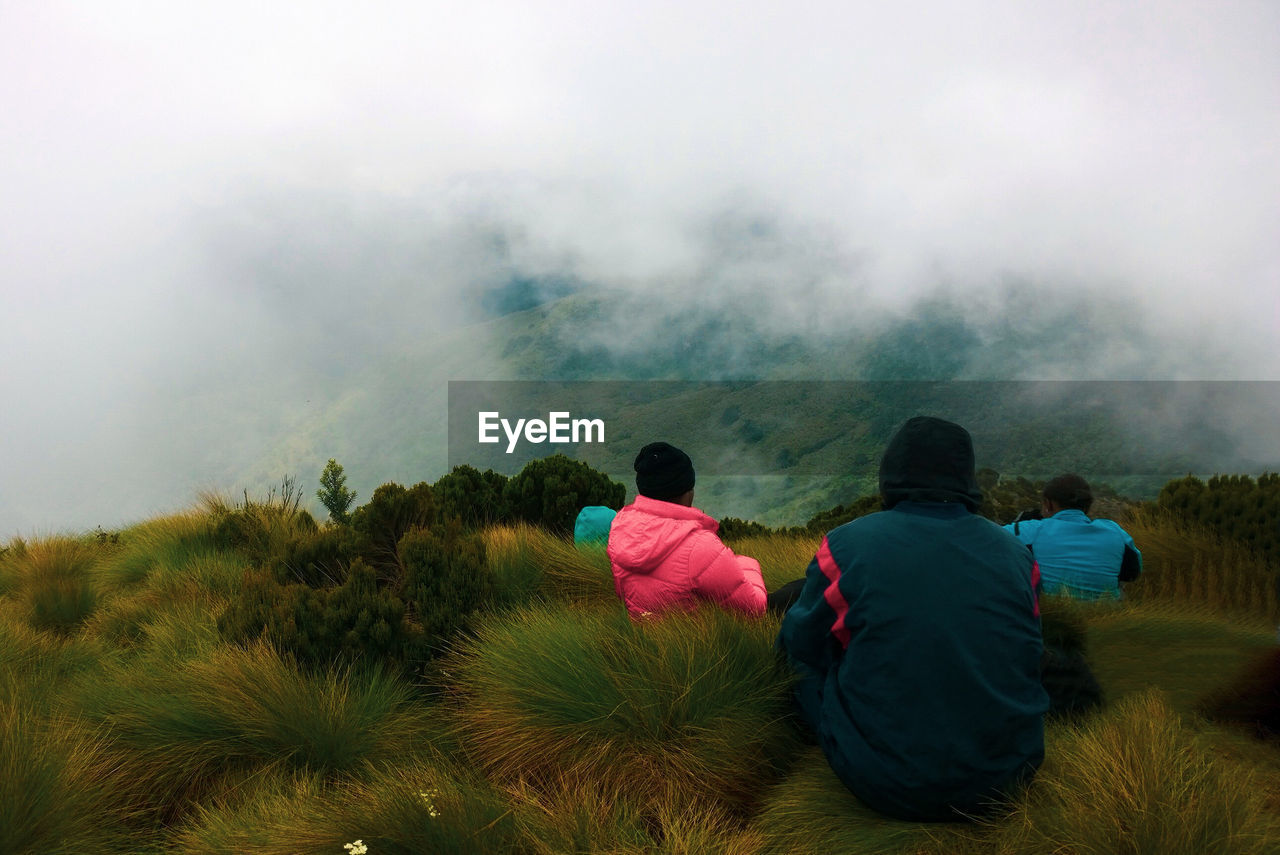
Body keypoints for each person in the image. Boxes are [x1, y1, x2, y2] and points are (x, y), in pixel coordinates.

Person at [777, 416, 1048, 822]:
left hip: (887, 782)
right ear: (966, 476)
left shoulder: (846, 546)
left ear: (891, 472)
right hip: (1009, 775)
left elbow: (804, 644)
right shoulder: (1018, 556)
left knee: (795, 654)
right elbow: (1024, 652)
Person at [607, 442, 767, 619]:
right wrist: (747, 563)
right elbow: (754, 608)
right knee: (790, 593)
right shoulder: (700, 546)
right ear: (687, 492)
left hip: (642, 630)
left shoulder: (620, 529)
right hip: (697, 635)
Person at [1004, 473, 1141, 600]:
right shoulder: (1115, 532)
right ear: (1087, 505)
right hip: (1109, 616)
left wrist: (1020, 521)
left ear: (1048, 504)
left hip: (1048, 614)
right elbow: (1133, 573)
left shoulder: (1031, 529)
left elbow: (993, 538)